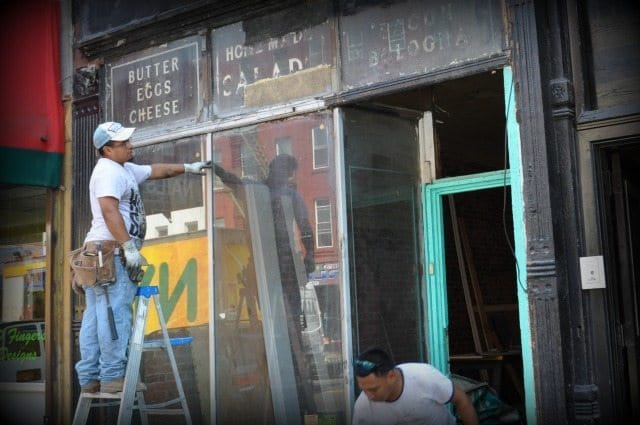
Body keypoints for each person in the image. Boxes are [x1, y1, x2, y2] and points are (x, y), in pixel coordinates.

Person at [75, 121, 211, 393]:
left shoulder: (122, 169)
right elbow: (109, 211)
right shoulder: (108, 173)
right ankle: (113, 377)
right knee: (115, 312)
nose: (130, 145)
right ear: (106, 149)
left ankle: (90, 377)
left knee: (97, 314)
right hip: (111, 250)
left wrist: (189, 168)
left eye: (128, 141)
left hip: (101, 250)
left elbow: (156, 171)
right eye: (123, 143)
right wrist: (128, 247)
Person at [352, 348, 479, 425]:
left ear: (391, 376)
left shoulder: (424, 376)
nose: (369, 396)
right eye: (363, 390)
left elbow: (462, 400)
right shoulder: (363, 407)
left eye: (374, 389)